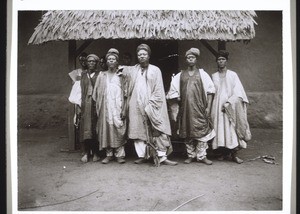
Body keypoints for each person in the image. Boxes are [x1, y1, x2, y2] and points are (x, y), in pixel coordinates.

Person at [122, 44, 178, 166]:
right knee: (138, 131)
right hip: (136, 105)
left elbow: (158, 89)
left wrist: (150, 105)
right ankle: (143, 156)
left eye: (144, 54)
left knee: (158, 129)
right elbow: (122, 71)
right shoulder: (133, 70)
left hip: (153, 105)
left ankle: (162, 156)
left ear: (148, 56)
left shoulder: (155, 70)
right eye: (139, 55)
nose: (142, 57)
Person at [167, 48, 216, 165]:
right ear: (186, 59)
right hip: (185, 109)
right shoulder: (180, 75)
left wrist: (208, 107)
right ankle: (191, 155)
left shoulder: (203, 74)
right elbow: (172, 91)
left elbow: (210, 91)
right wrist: (176, 97)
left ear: (196, 59)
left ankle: (202, 156)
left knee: (202, 132)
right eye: (188, 58)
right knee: (187, 131)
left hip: (199, 108)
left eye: (192, 57)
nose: (190, 60)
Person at [211, 50, 251, 164]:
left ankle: (234, 154)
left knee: (232, 129)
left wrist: (228, 103)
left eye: (223, 59)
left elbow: (238, 92)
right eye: (219, 59)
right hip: (217, 106)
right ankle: (223, 152)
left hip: (230, 106)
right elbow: (212, 91)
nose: (221, 61)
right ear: (216, 62)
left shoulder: (233, 75)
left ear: (226, 61)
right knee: (220, 128)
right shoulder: (214, 76)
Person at [93, 48, 127, 164]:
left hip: (118, 106)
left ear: (117, 62)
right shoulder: (102, 75)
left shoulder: (122, 75)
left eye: (113, 59)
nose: (111, 61)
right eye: (109, 59)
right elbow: (96, 93)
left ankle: (119, 155)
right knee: (106, 130)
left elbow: (126, 92)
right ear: (106, 62)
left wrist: (124, 108)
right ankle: (109, 154)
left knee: (118, 129)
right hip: (105, 107)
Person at [79, 54, 101, 163]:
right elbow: (79, 90)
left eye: (93, 62)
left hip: (95, 105)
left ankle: (96, 152)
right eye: (89, 61)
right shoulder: (83, 75)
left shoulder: (99, 75)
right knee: (85, 128)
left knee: (95, 129)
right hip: (85, 105)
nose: (91, 63)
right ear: (86, 63)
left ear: (96, 63)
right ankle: (86, 152)